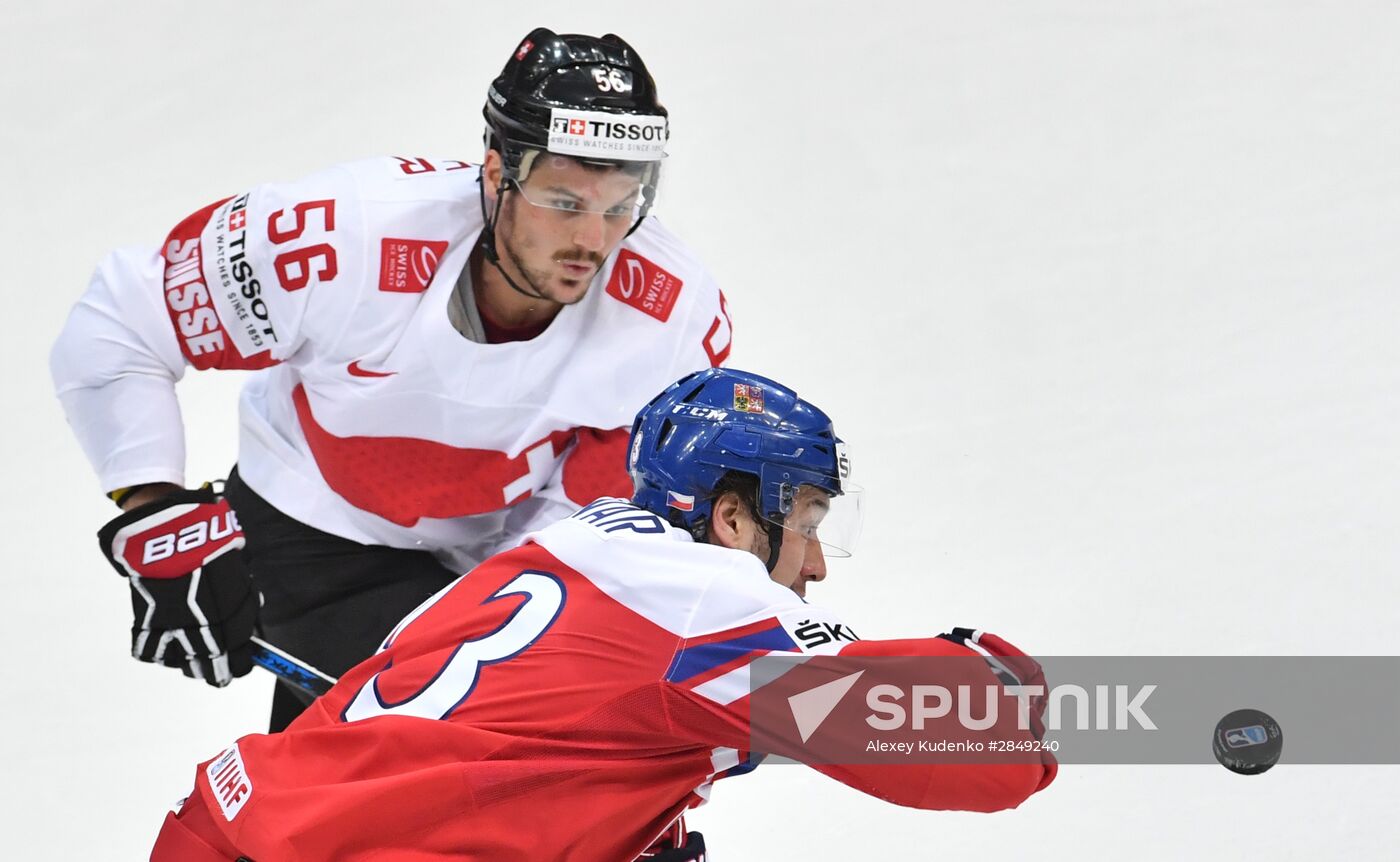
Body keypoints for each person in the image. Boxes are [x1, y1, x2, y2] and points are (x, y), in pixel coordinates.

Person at [51, 28, 734, 731]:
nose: (594, 241)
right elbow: (121, 322)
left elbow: (585, 524)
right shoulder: (344, 238)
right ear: (498, 175)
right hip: (308, 521)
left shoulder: (671, 317)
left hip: (490, 551)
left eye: (620, 207)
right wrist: (155, 508)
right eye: (564, 203)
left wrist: (490, 638)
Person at [149, 368, 1057, 862]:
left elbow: (526, 752)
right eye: (808, 523)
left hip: (227, 827)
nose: (816, 562)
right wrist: (997, 678)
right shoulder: (705, 598)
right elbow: (972, 755)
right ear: (734, 518)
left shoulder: (552, 555)